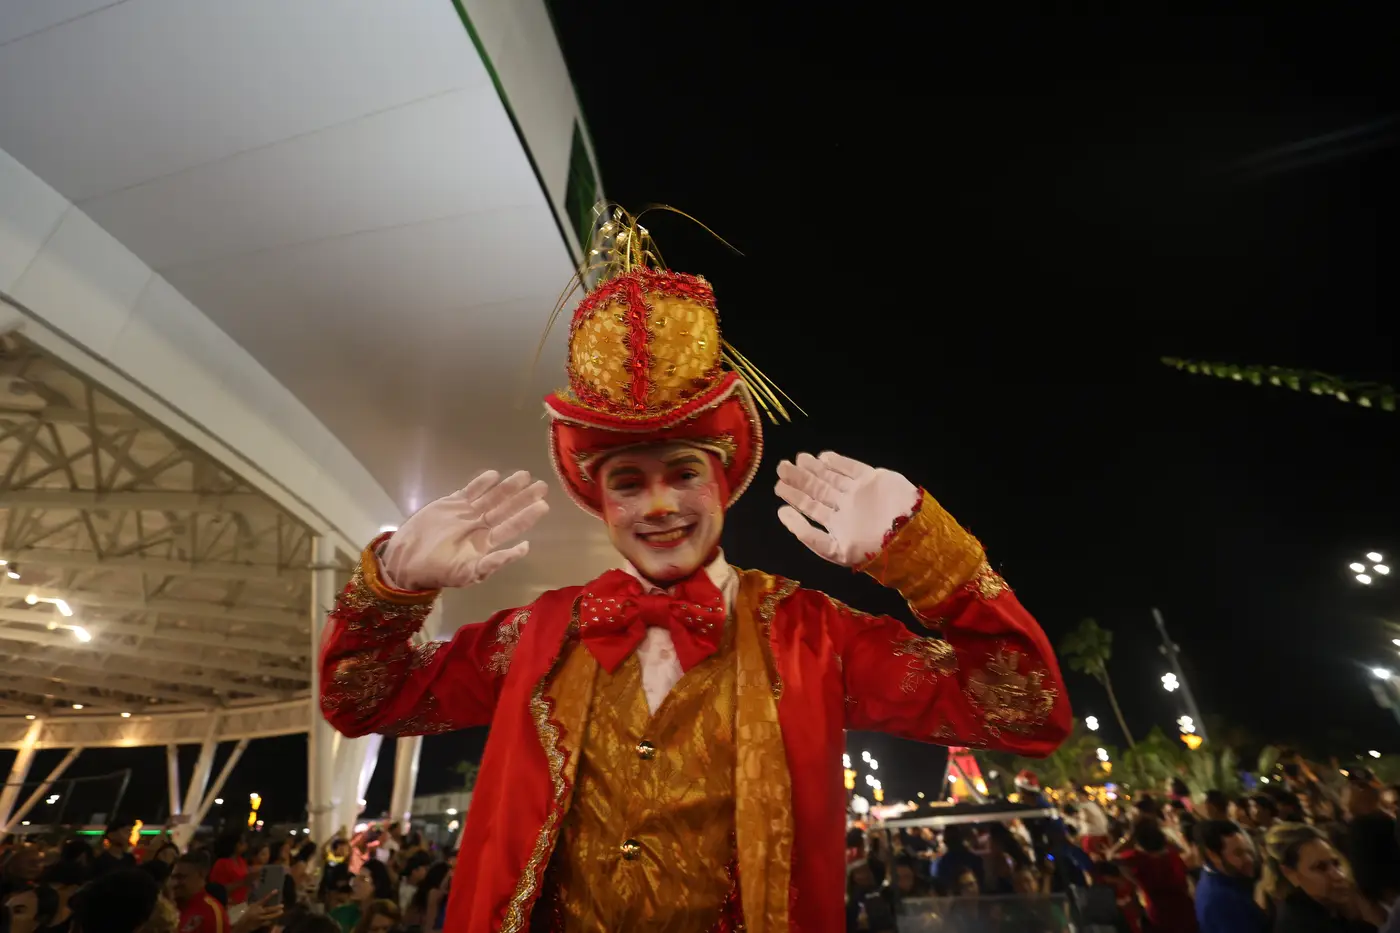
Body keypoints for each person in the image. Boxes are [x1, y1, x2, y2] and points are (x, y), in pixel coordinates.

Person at [318, 212, 1073, 932]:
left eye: (682, 472)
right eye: (628, 481)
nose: (658, 505)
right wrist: (395, 585)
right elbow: (363, 701)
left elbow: (1023, 712)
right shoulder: (538, 635)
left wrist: (928, 559)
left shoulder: (813, 637)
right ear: (601, 502)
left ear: (722, 480)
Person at [1263, 822, 1384, 932]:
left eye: (1336, 863)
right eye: (1320, 867)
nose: (1339, 875)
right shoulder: (1302, 925)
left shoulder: (1327, 910)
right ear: (1290, 874)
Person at [1114, 818, 1197, 931]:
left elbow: (1111, 857)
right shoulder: (1174, 858)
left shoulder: (1138, 861)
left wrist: (1127, 837)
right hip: (1185, 910)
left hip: (1159, 915)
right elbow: (1189, 855)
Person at [1194, 819, 1266, 933]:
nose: (1249, 859)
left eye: (1248, 851)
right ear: (1213, 855)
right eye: (1238, 853)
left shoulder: (1223, 878)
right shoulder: (1221, 901)